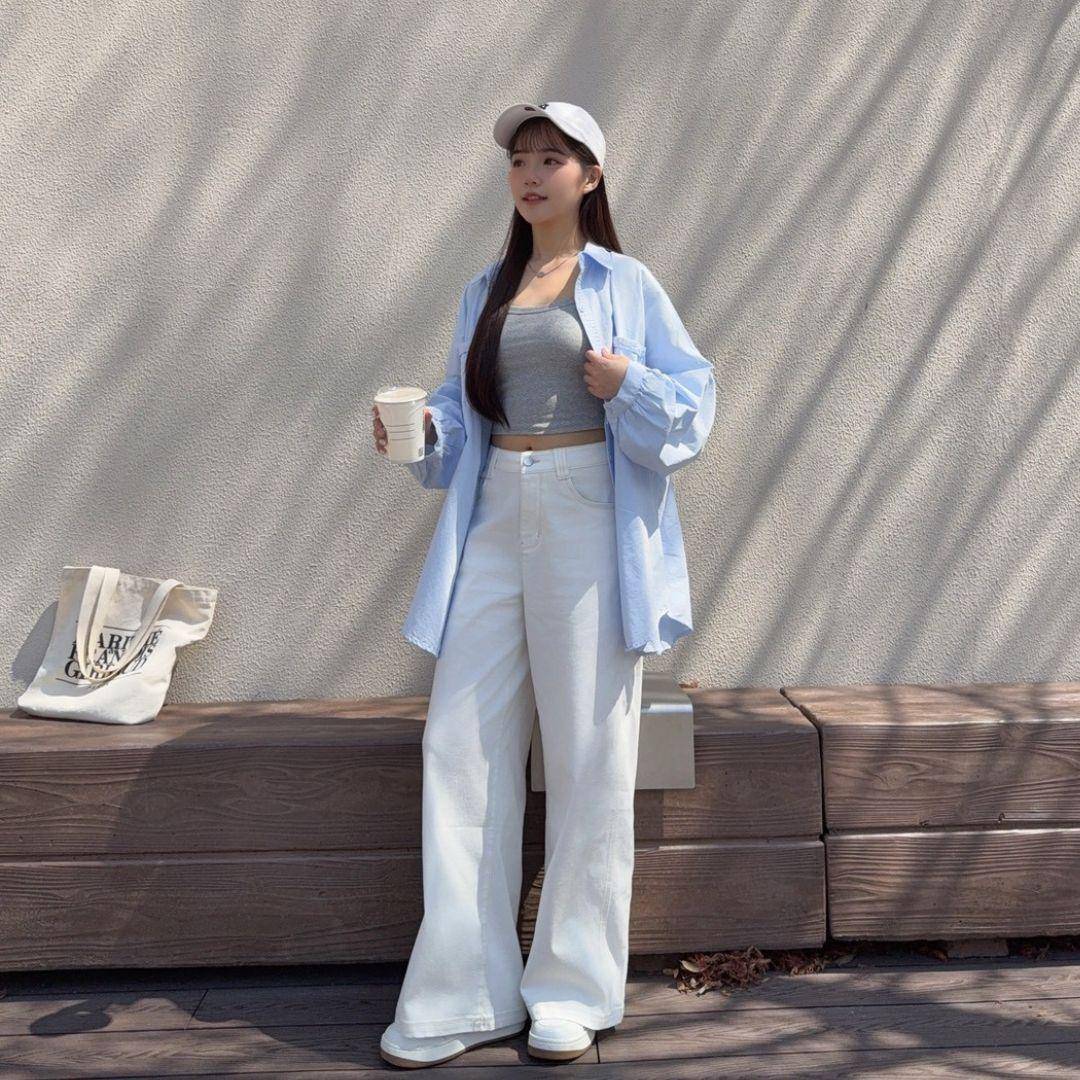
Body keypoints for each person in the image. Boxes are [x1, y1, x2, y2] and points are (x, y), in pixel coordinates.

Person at [372, 101, 716, 1069]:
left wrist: (626, 384)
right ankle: (459, 994)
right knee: (460, 744)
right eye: (520, 160)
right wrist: (424, 432)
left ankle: (571, 991)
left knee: (587, 752)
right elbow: (459, 410)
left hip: (585, 508)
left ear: (590, 177)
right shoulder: (486, 290)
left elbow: (691, 408)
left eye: (551, 159)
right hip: (493, 509)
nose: (530, 174)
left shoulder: (626, 283)